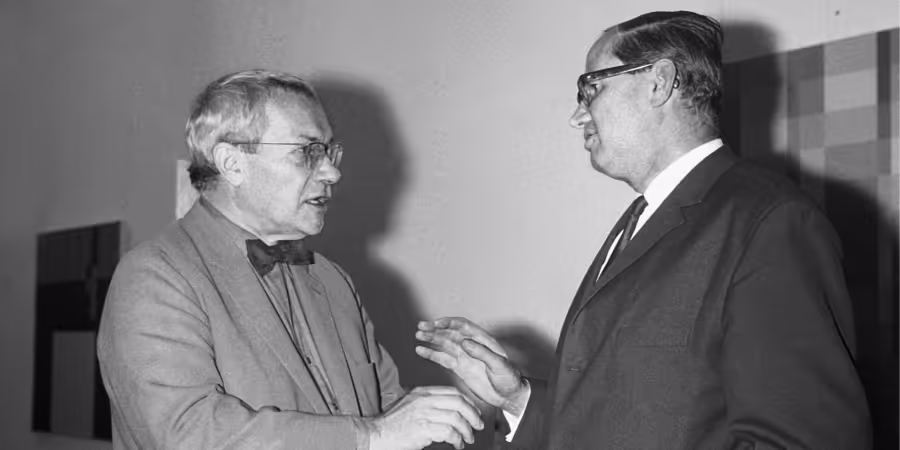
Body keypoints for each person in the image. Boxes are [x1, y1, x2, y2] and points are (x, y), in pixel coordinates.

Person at [416, 11, 872, 449]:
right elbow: (638, 416)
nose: (578, 116)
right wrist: (519, 399)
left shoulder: (769, 222)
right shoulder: (641, 220)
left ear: (659, 82)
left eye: (591, 88)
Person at [97, 69, 483, 450]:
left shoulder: (332, 280)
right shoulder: (153, 276)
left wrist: (481, 400)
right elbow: (189, 434)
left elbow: (390, 416)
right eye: (307, 152)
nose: (332, 172)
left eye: (329, 151)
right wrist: (371, 436)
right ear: (232, 163)